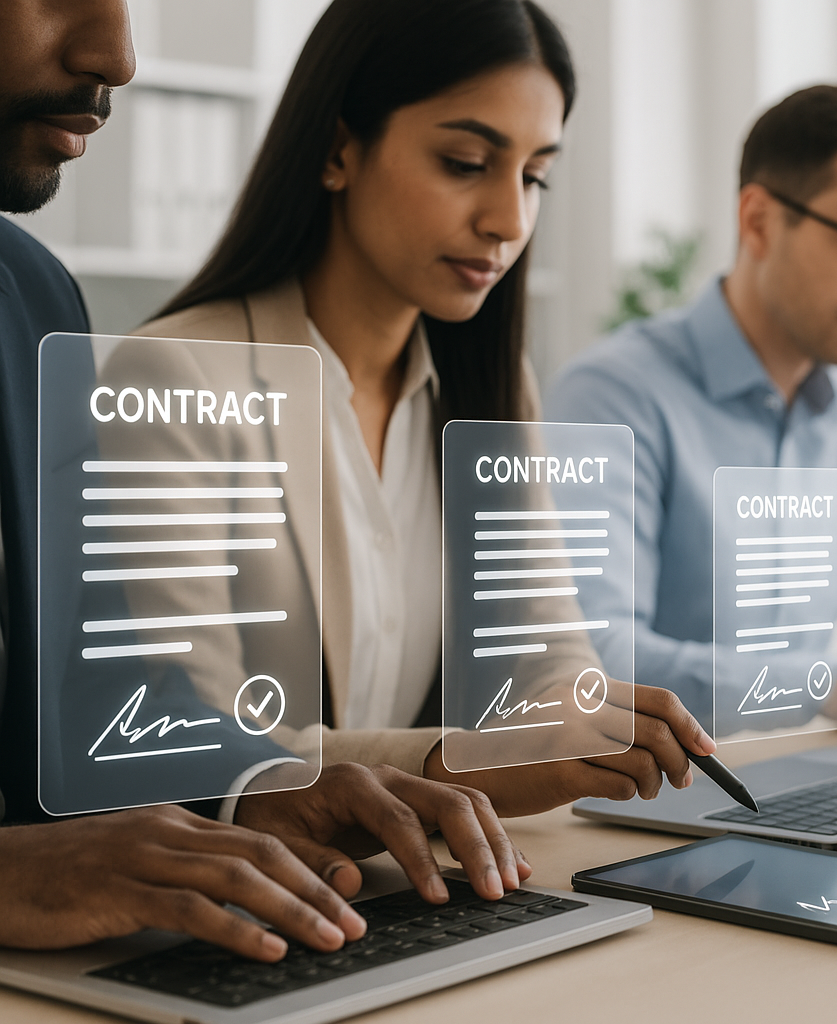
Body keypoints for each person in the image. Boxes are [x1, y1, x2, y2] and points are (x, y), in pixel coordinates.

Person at [0, 0, 536, 965]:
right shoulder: (165, 368)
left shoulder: (32, 294)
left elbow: (90, 702)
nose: (114, 56)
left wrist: (256, 782)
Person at [134, 0, 716, 817]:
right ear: (339, 148)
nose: (509, 220)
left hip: (412, 878)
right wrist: (465, 758)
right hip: (247, 886)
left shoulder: (493, 383)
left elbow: (546, 647)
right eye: (466, 161)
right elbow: (198, 737)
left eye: (535, 175)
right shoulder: (176, 375)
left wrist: (580, 716)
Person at [547, 85, 837, 727]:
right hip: (644, 801)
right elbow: (594, 662)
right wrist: (827, 686)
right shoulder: (611, 397)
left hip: (799, 779)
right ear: (759, 220)